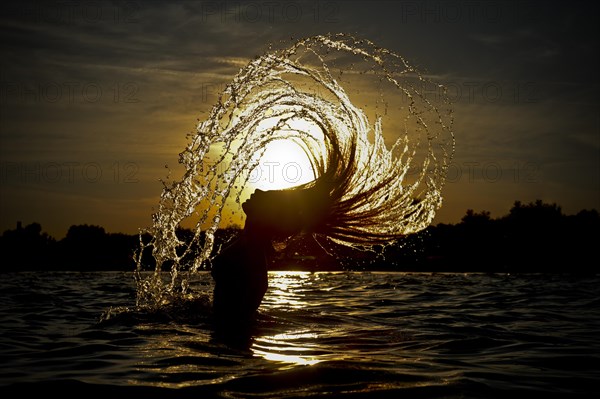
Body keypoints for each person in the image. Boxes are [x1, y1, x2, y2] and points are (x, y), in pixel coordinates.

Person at [210, 185, 331, 326]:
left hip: (230, 340)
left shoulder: (252, 254)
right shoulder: (249, 244)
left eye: (266, 195)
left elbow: (234, 318)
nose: (257, 191)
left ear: (268, 213)